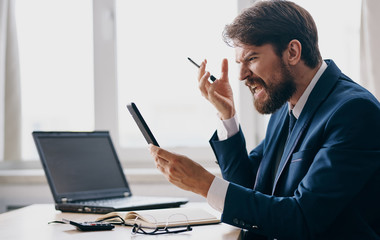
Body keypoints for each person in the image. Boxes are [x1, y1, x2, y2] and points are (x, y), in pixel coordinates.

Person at [149, 0, 380, 239]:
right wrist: (227, 116)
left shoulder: (354, 111)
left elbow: (302, 218)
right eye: (240, 63)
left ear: (292, 52)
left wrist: (205, 185)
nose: (242, 75)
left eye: (251, 59)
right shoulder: (285, 106)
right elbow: (250, 188)